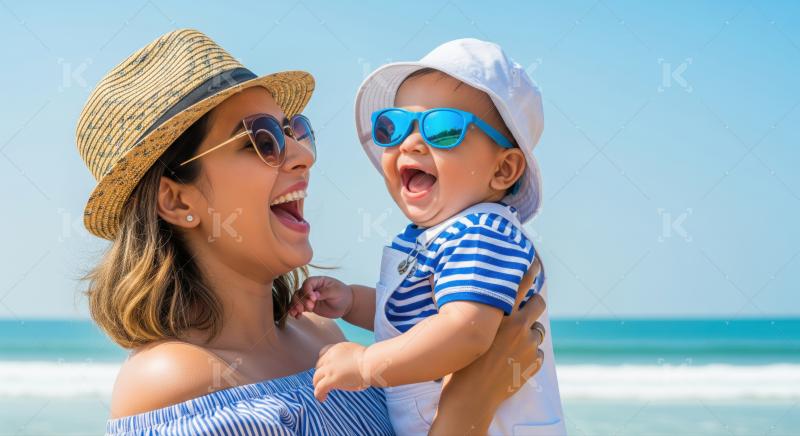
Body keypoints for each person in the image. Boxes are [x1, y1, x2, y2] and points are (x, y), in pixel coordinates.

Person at [75, 29, 548, 435]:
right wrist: (470, 405)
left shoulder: (319, 331)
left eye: (294, 129)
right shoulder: (172, 383)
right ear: (178, 200)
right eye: (263, 141)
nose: (303, 154)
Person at [289, 38, 565, 435]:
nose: (411, 142)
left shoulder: (484, 232)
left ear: (503, 170)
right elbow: (413, 319)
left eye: (443, 128)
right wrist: (352, 300)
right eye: (394, 126)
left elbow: (466, 330)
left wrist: (368, 365)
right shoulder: (430, 236)